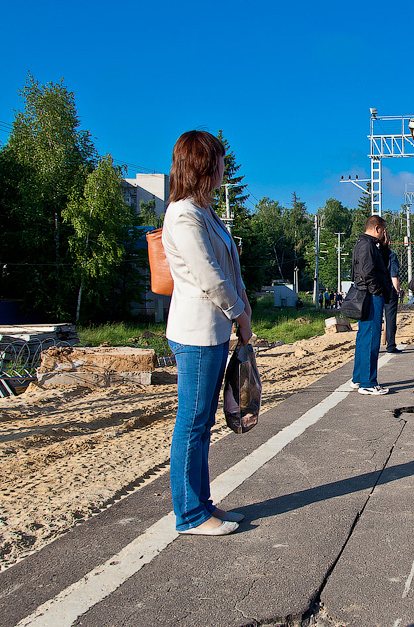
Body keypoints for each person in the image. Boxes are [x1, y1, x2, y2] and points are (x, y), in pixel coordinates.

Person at [162, 130, 250, 536]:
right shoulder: (182, 214)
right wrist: (238, 314)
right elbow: (209, 277)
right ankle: (190, 515)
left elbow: (230, 270)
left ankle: (202, 503)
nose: (222, 168)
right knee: (193, 423)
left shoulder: (207, 212)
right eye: (216, 160)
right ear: (200, 166)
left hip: (212, 332)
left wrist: (244, 308)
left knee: (202, 422)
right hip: (196, 333)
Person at [350, 215, 392, 395]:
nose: (384, 234)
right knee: (371, 338)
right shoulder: (367, 246)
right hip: (371, 296)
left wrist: (384, 248)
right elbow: (367, 273)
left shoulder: (362, 244)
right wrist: (377, 291)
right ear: (376, 228)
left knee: (363, 337)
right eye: (383, 231)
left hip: (365, 295)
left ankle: (358, 378)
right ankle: (368, 383)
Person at [382, 231, 402, 354]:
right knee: (390, 318)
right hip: (389, 289)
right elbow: (394, 274)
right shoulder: (391, 255)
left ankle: (372, 347)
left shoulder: (375, 254)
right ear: (388, 242)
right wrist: (397, 289)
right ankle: (391, 345)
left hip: (376, 289)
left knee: (375, 318)